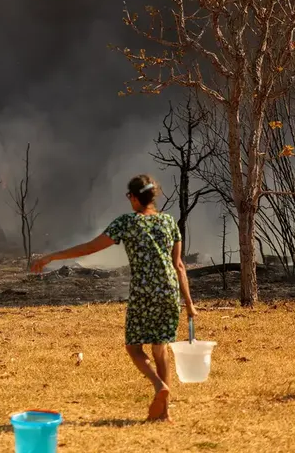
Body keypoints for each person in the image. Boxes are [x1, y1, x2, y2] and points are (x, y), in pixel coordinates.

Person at [31, 174, 197, 422]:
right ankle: (165, 414)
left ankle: (158, 386)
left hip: (144, 291)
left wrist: (52, 257)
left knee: (133, 347)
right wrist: (190, 304)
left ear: (132, 198)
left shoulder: (127, 223)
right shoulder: (168, 222)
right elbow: (179, 266)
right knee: (160, 348)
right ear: (153, 196)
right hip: (169, 290)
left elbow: (90, 247)